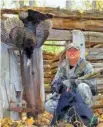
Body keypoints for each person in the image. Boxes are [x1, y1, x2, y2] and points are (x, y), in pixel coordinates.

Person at [45, 43, 97, 114]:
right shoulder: (63, 66)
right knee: (48, 105)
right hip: (66, 97)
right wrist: (59, 86)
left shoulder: (86, 66)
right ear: (66, 53)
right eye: (69, 50)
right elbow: (54, 83)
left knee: (83, 87)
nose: (72, 52)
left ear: (79, 52)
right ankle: (69, 117)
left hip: (80, 98)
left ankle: (84, 115)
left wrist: (74, 82)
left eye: (74, 51)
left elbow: (93, 87)